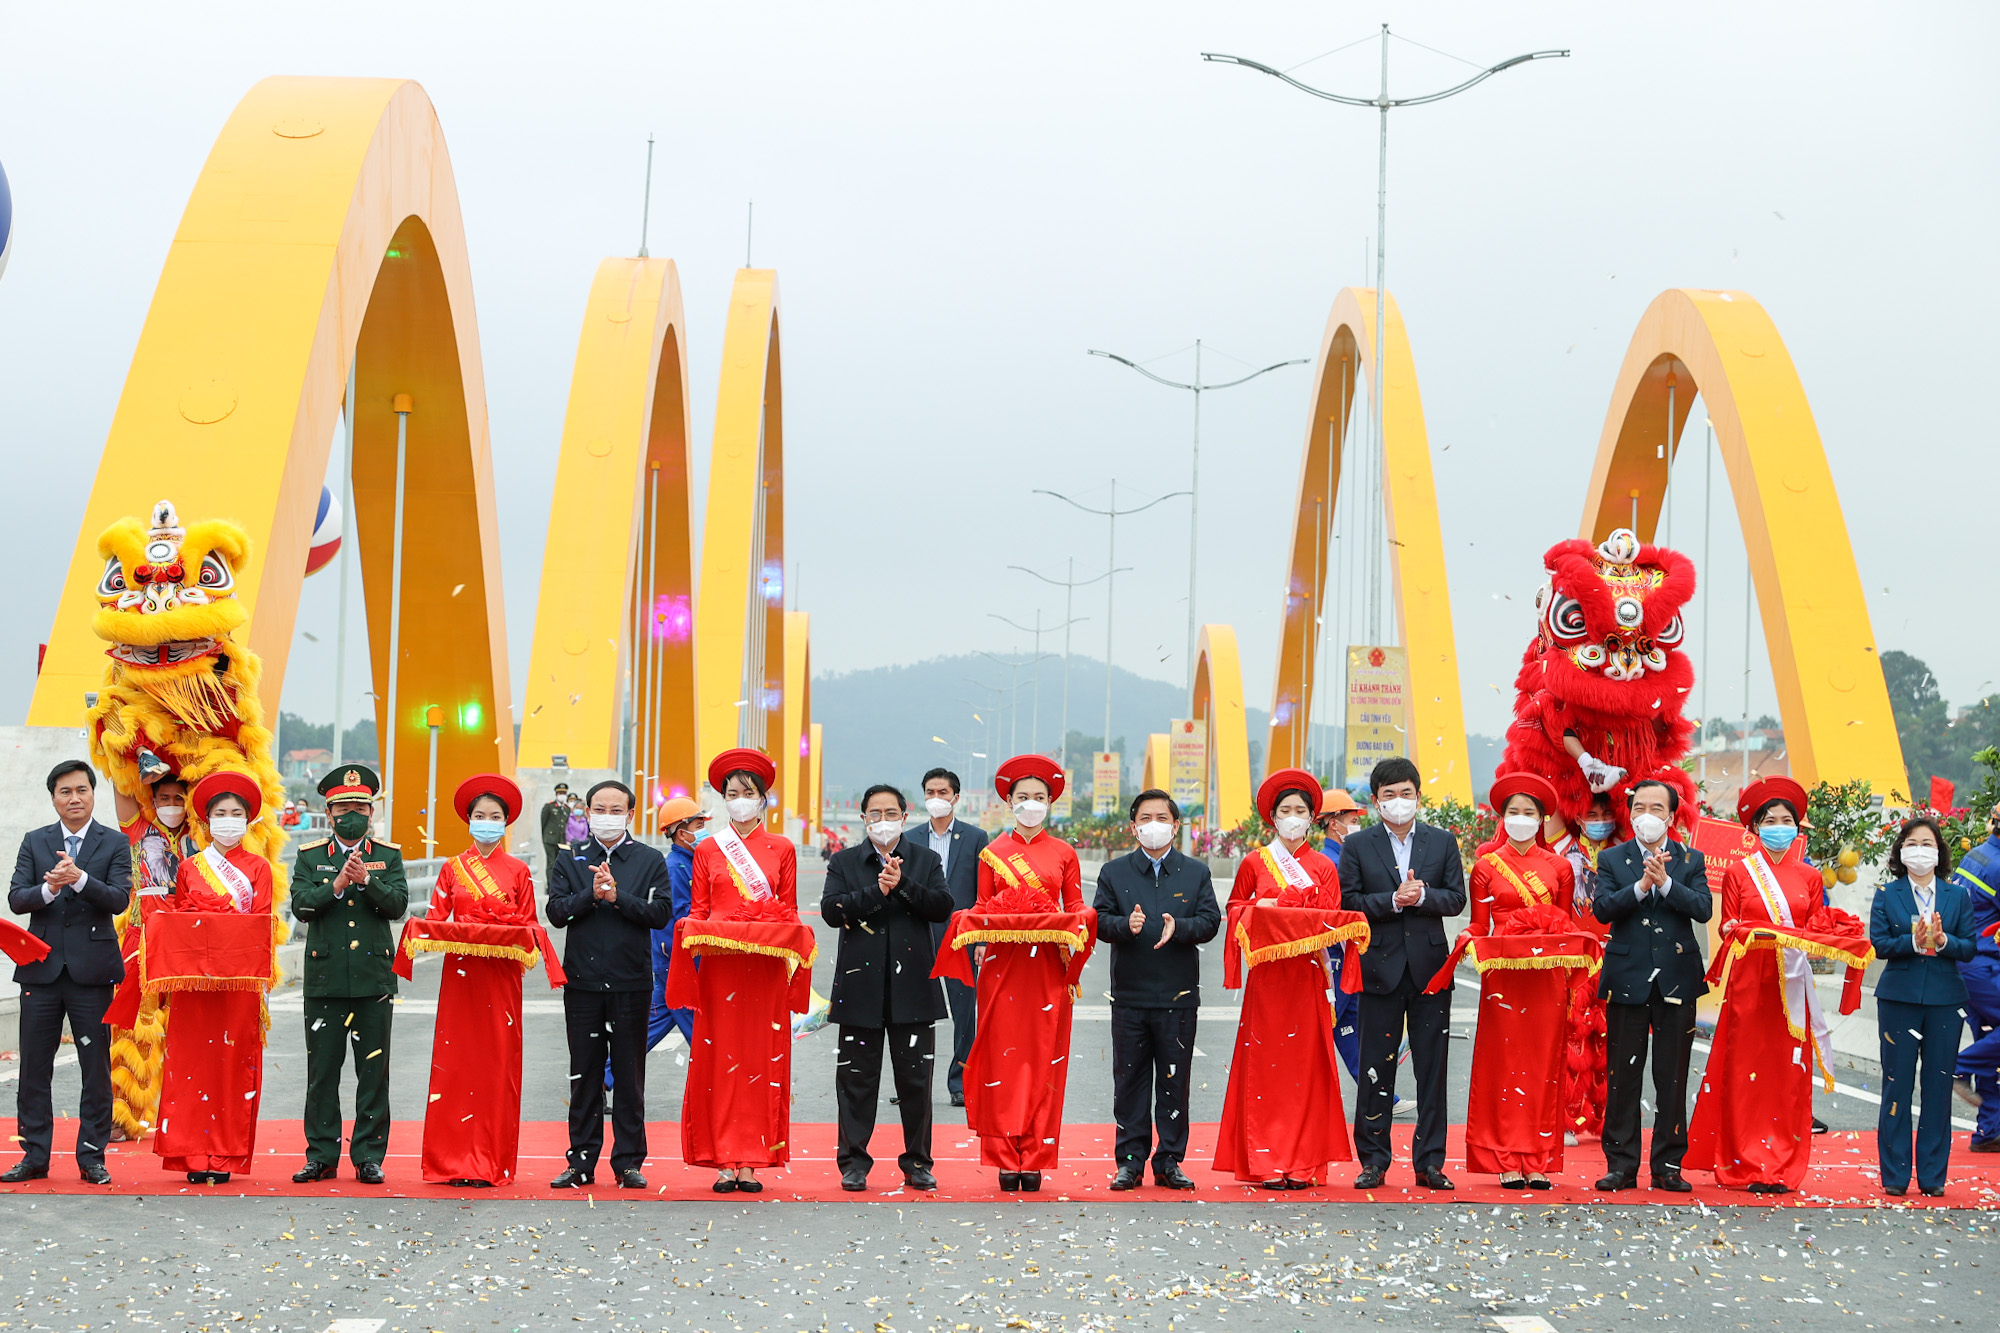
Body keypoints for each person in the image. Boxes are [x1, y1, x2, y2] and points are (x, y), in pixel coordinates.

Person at [1687, 776, 1870, 1194]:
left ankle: (1781, 1162)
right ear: (1753, 828)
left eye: (1786, 820)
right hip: (1751, 982)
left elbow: (1814, 929)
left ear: (1798, 826)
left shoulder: (1810, 877)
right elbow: (1728, 927)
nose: (1778, 826)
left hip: (1792, 985)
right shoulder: (1738, 872)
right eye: (1769, 820)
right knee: (1745, 1072)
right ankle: (1744, 1163)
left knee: (1787, 1073)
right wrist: (1742, 929)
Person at [953, 754, 1090, 1192]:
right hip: (1001, 968)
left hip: (1048, 968)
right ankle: (1003, 1157)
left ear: (1051, 803)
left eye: (1039, 797)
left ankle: (1035, 1155)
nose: (1031, 803)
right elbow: (981, 907)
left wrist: (1085, 922)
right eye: (1023, 796)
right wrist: (970, 929)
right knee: (1003, 1059)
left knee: (1043, 1058)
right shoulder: (992, 853)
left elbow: (1077, 909)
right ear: (1008, 802)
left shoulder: (1064, 853)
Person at [1215, 770, 1355, 1188]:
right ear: (1272, 818)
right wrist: (1264, 906)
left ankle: (1304, 1163)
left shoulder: (1323, 867)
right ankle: (1266, 1160)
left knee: (1306, 1070)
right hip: (1267, 978)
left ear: (1313, 818)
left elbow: (1331, 920)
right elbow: (1235, 908)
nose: (1293, 817)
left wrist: (1293, 913)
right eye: (1285, 811)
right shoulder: (1255, 862)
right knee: (1266, 1069)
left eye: (1300, 811)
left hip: (1309, 976)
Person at [677, 748, 805, 1194]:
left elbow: (788, 911)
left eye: (747, 792)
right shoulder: (708, 849)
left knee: (759, 1057)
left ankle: (753, 1158)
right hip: (720, 969)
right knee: (721, 1060)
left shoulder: (783, 848)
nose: (739, 799)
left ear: (762, 798)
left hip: (764, 970)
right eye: (732, 793)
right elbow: (699, 911)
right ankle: (722, 1159)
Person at [1339, 756, 1468, 1191]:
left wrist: (1423, 895)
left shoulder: (1442, 841)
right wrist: (1393, 901)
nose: (1399, 802)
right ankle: (1373, 1160)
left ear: (1418, 796)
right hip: (1380, 966)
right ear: (1376, 802)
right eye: (1389, 795)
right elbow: (1350, 903)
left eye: (1406, 794)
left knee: (1432, 1069)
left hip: (1431, 969)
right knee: (1377, 1067)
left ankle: (1430, 1162)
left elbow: (1455, 899)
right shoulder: (1358, 847)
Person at [4, 759, 131, 1185]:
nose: (74, 798)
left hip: (92, 973)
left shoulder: (113, 843)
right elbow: (17, 899)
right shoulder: (34, 841)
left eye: (81, 790)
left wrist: (78, 879)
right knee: (34, 1067)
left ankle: (92, 1157)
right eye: (65, 792)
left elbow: (118, 899)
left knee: (94, 1066)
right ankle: (34, 1155)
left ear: (93, 794)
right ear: (53, 798)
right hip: (40, 971)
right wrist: (50, 887)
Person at [822, 783, 954, 1192]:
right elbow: (831, 910)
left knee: (915, 1083)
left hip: (913, 987)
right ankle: (854, 1163)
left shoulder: (926, 859)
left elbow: (941, 906)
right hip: (860, 988)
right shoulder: (844, 861)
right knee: (856, 1081)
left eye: (890, 813)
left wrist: (903, 886)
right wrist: (876, 892)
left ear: (904, 816)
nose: (883, 821)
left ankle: (918, 1162)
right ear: (863, 819)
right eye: (874, 814)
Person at [1455, 772, 1580, 1189]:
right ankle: (1505, 1157)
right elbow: (1478, 924)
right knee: (1504, 1065)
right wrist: (1467, 940)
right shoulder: (1486, 866)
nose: (1522, 818)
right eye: (1514, 812)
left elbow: (1563, 924)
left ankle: (1539, 1158)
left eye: (1530, 813)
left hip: (1547, 979)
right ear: (1502, 817)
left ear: (1543, 819)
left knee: (1543, 1065)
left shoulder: (1560, 867)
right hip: (1504, 977)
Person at [548, 778, 672, 1189]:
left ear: (630, 815)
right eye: (598, 809)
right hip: (582, 983)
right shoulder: (570, 859)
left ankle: (628, 1162)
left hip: (632, 984)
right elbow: (556, 912)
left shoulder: (650, 859)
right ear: (586, 813)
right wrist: (592, 895)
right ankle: (581, 1161)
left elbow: (659, 914)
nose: (606, 816)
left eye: (615, 810)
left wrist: (618, 897)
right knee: (584, 1075)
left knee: (628, 1074)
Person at [419, 774, 542, 1187]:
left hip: (501, 980)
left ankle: (490, 1161)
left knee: (496, 1066)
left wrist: (500, 934)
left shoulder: (519, 871)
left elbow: (530, 931)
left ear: (505, 822)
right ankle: (452, 1161)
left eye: (494, 815)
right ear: (468, 820)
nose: (486, 821)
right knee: (456, 1066)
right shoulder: (451, 869)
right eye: (479, 815)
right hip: (461, 977)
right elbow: (434, 922)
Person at [1095, 788, 1221, 1191]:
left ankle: (1169, 1160)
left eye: (1161, 818)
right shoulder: (1114, 872)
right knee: (1129, 1082)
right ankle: (1129, 1161)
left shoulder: (1195, 872)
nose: (1154, 826)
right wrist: (1123, 927)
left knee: (1174, 1081)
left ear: (1176, 825)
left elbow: (1210, 920)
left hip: (1178, 997)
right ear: (1133, 827)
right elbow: (1097, 920)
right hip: (1129, 997)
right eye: (1145, 819)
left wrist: (1179, 928)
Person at [289, 765, 409, 1185]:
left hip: (373, 978)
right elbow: (301, 906)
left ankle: (368, 1156)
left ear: (371, 811)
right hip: (325, 981)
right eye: (344, 807)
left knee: (373, 1072)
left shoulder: (388, 856)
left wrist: (367, 883)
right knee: (323, 1071)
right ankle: (321, 1155)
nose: (352, 813)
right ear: (329, 811)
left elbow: (398, 907)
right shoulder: (310, 857)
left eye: (360, 805)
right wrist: (337, 884)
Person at [1591, 777, 1710, 1193]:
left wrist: (1666, 884)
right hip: (1628, 978)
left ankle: (1668, 1165)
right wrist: (1641, 887)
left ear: (1671, 816)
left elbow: (1703, 909)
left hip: (1677, 977)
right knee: (1623, 1076)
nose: (1647, 816)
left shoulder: (1690, 860)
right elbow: (1602, 909)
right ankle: (1621, 1165)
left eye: (1656, 808)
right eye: (1640, 807)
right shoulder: (1613, 859)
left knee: (1672, 1075)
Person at [154, 772, 273, 1184]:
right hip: (195, 985)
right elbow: (182, 924)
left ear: (248, 819)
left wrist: (211, 925)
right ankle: (191, 1154)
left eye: (235, 813)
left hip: (238, 985)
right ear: (205, 821)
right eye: (220, 813)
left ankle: (224, 1155)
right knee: (191, 1066)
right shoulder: (189, 867)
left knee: (230, 1068)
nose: (227, 819)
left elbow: (259, 928)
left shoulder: (259, 869)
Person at [1872, 817, 1977, 1197]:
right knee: (1896, 1086)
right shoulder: (1887, 894)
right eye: (1912, 843)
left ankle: (1933, 1176)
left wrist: (1945, 940)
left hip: (1945, 1002)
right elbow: (1880, 943)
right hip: (1899, 999)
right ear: (1902, 851)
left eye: (1927, 843)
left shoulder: (1957, 896)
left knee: (1937, 1089)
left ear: (1938, 852)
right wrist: (1913, 942)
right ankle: (1895, 1176)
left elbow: (1970, 947)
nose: (1920, 850)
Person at [106, 772, 198, 1142]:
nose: (172, 804)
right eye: (165, 797)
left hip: (188, 940)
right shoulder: (137, 829)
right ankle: (122, 1115)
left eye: (179, 798)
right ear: (153, 800)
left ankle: (186, 1114)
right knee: (132, 1027)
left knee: (187, 1029)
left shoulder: (202, 833)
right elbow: (119, 777)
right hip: (141, 938)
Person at [919, 767, 990, 1108]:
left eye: (943, 793)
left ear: (956, 798)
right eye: (930, 792)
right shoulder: (911, 837)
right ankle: (914, 1081)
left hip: (962, 936)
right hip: (919, 936)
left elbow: (984, 893)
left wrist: (981, 939)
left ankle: (959, 1081)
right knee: (915, 1013)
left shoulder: (976, 838)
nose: (937, 799)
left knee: (965, 1013)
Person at [1548, 791, 1615, 1143]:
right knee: (1574, 1037)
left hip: (1615, 956)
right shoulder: (1562, 850)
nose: (1600, 818)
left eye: (1606, 812)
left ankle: (1606, 1119)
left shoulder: (1624, 851)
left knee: (1610, 1039)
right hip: (1574, 957)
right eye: (1592, 812)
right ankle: (1570, 1117)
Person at [1950, 802, 2000, 1151]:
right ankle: (1956, 1066)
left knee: (1990, 1044)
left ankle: (1990, 1131)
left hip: (1966, 965)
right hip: (1983, 965)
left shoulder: (1979, 855)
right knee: (1987, 1047)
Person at [651, 797, 706, 1051]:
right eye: (699, 824)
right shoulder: (675, 867)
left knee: (656, 1021)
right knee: (699, 1030)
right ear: (682, 832)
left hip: (682, 959)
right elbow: (684, 915)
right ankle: (716, 1080)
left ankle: (605, 1076)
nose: (704, 830)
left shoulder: (694, 862)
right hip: (676, 959)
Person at [540, 781, 572, 888]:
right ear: (556, 794)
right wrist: (545, 837)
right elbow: (543, 823)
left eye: (564, 793)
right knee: (551, 863)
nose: (562, 795)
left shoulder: (567, 809)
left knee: (560, 863)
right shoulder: (549, 806)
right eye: (560, 793)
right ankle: (550, 886)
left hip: (562, 840)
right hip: (550, 840)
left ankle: (559, 885)